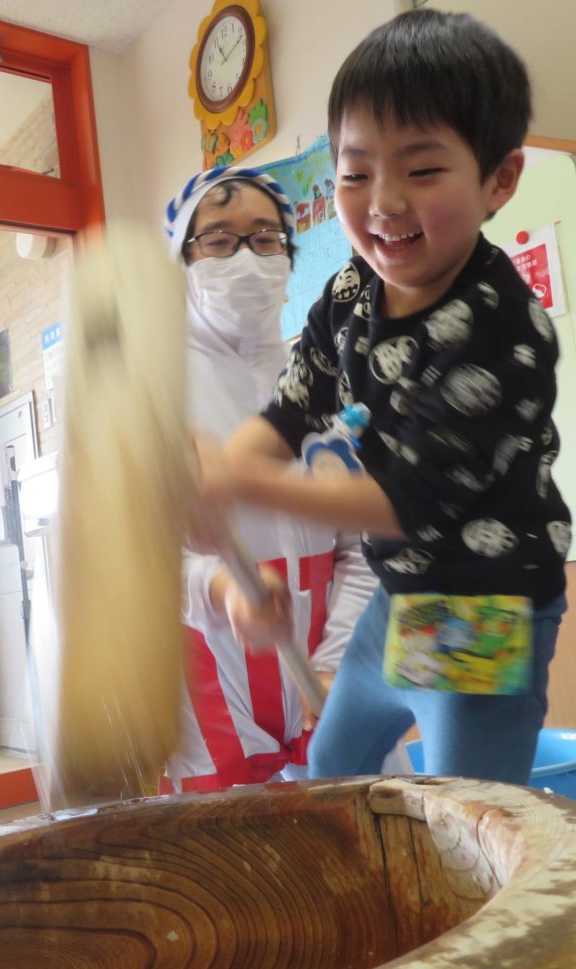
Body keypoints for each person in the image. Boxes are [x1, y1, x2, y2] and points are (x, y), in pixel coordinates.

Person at [192, 9, 572, 785]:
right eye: (356, 173)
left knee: (468, 809)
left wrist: (233, 481)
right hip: (399, 598)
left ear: (499, 179)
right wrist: (234, 468)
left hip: (485, 609)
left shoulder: (501, 329)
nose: (383, 202)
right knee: (336, 767)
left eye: (422, 170)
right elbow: (293, 409)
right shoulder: (349, 292)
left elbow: (410, 500)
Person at [161, 164, 408, 792]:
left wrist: (335, 662)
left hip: (329, 670)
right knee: (234, 850)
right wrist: (222, 589)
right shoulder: (156, 398)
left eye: (266, 238)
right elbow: (140, 563)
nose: (246, 258)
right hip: (212, 685)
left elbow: (363, 544)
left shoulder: (321, 383)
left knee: (369, 826)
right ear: (182, 260)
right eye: (219, 240)